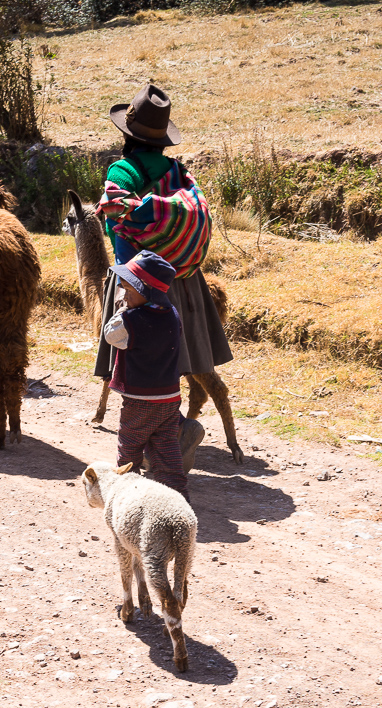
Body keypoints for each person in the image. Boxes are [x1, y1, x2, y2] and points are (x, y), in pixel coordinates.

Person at [93, 83, 234, 472]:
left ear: (126, 135)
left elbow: (114, 218)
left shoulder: (122, 170)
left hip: (137, 283)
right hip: (183, 282)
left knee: (137, 368)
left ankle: (162, 438)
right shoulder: (178, 172)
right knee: (169, 364)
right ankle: (168, 439)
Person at [103, 250, 189, 503]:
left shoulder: (131, 320)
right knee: (166, 451)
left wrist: (122, 310)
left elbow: (110, 335)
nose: (122, 292)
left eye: (128, 288)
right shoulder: (172, 314)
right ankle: (178, 500)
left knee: (129, 449)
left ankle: (127, 499)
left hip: (139, 401)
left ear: (147, 290)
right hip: (170, 398)